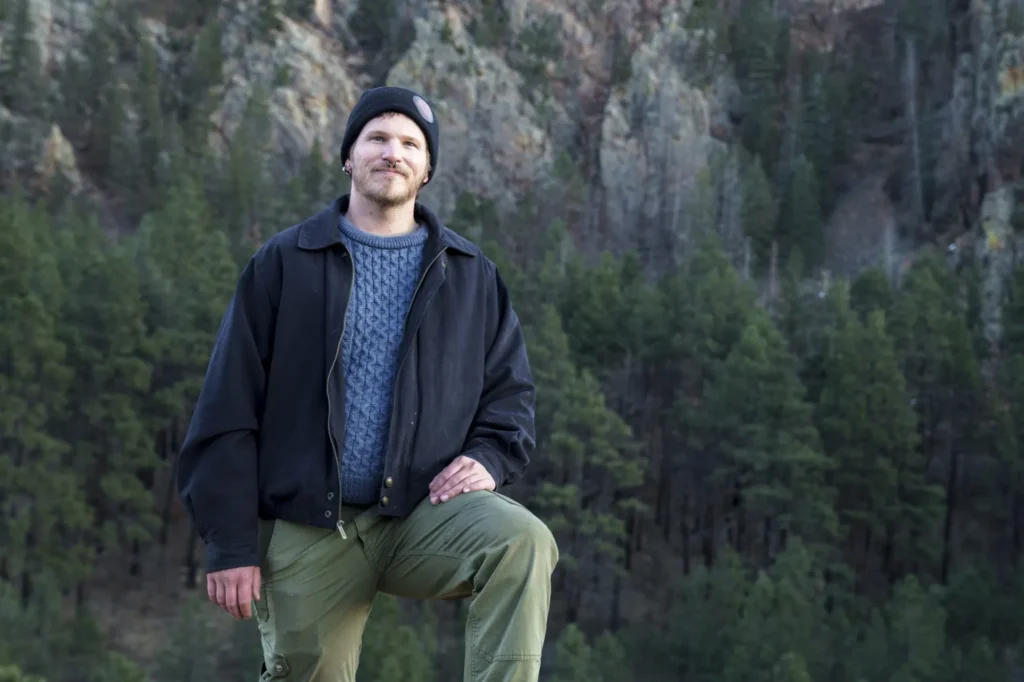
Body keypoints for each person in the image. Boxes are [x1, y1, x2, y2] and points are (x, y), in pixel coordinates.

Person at [176, 86, 559, 682]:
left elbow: (511, 396)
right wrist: (231, 545)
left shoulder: (470, 275)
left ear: (427, 168)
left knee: (521, 542)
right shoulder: (285, 263)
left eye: (410, 143)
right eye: (377, 138)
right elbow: (227, 410)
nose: (393, 153)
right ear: (349, 156)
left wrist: (489, 455)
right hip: (310, 521)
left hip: (422, 513)